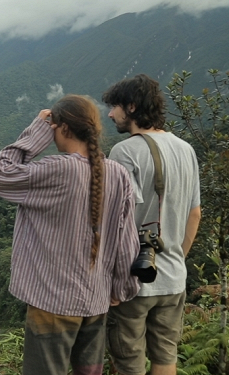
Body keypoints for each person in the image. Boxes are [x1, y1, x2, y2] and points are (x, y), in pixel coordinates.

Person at [0, 94, 141, 375]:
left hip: (52, 304)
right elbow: (126, 240)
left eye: (53, 128)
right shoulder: (118, 174)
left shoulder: (55, 169)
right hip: (96, 302)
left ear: (64, 128)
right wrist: (121, 288)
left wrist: (36, 133)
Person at [102, 74, 202, 375]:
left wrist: (115, 280)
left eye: (115, 107)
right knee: (165, 360)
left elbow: (116, 221)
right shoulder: (186, 149)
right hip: (173, 279)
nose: (110, 114)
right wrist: (175, 258)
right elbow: (194, 213)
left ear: (131, 108)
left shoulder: (124, 152)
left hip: (134, 283)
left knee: (128, 363)